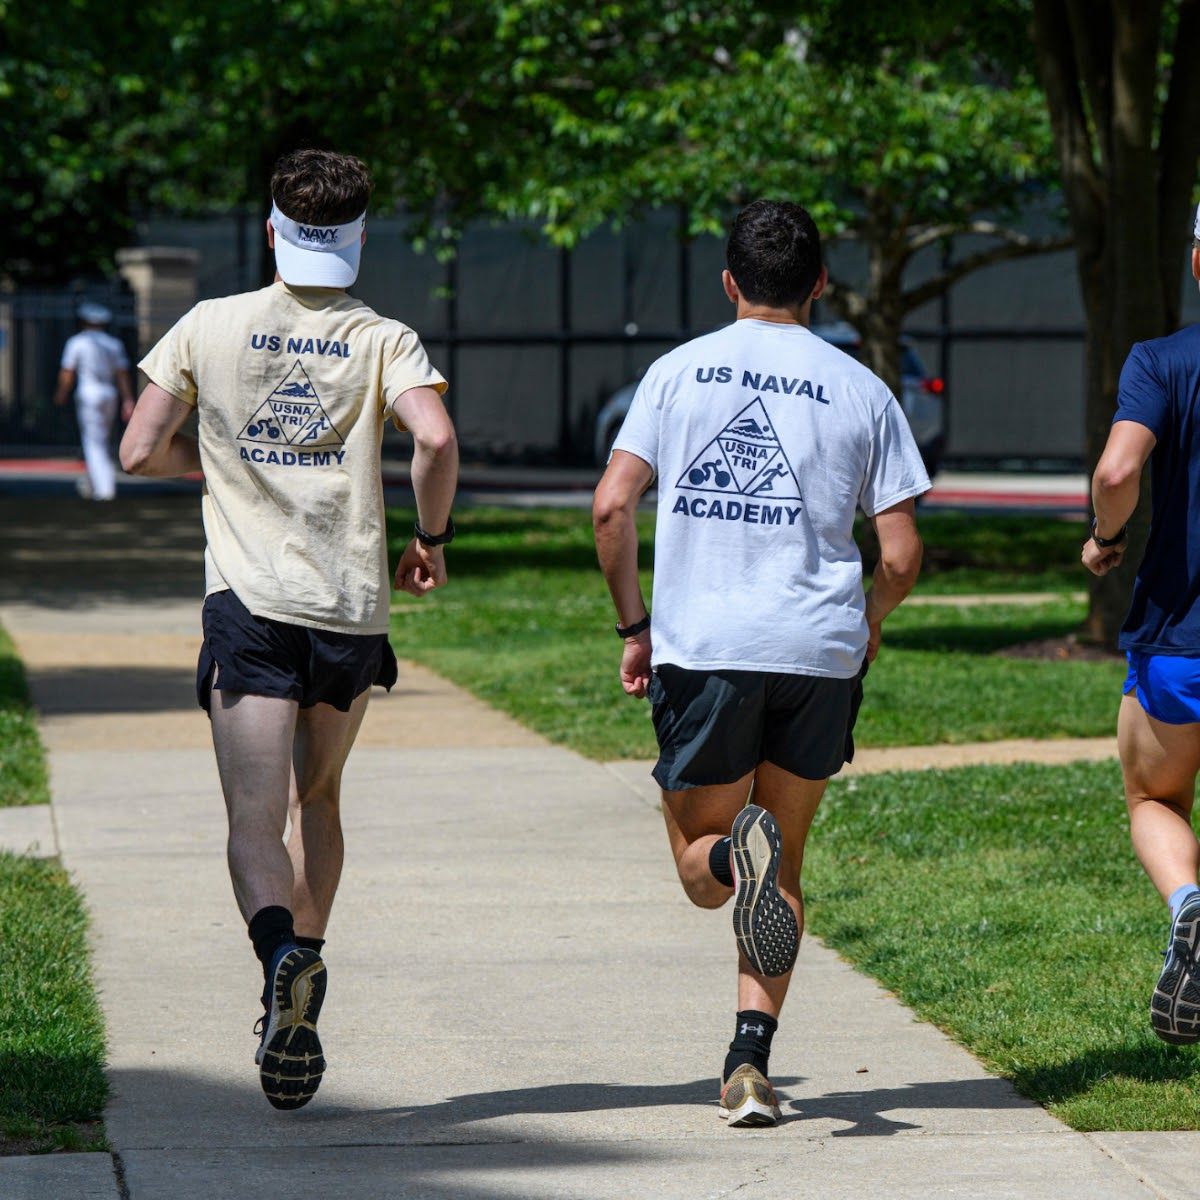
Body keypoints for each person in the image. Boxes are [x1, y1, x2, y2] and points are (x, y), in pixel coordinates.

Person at [119, 149, 458, 1109]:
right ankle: (303, 965)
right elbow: (432, 438)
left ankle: (278, 966)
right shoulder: (382, 335)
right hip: (348, 610)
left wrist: (221, 457)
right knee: (320, 800)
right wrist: (431, 538)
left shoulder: (207, 324)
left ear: (272, 230)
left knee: (250, 817)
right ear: (357, 238)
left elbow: (138, 449)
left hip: (250, 607)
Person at [593, 199, 929, 1127]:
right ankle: (749, 1065)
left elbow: (612, 509)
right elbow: (900, 556)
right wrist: (866, 620)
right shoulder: (864, 389)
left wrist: (635, 626)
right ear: (821, 284)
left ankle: (736, 868)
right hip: (817, 653)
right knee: (786, 864)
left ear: (731, 282)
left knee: (705, 870)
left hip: (708, 652)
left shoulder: (675, 374)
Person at [1083, 204, 1200, 1047]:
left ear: (1197, 261)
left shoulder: (1162, 361)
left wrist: (1107, 536)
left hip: (1181, 638)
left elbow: (1120, 467)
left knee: (1155, 795)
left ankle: (1190, 905)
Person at [54, 302, 135, 500]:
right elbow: (122, 374)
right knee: (101, 439)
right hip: (109, 394)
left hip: (88, 394)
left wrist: (61, 393)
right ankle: (92, 483)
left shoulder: (77, 342)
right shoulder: (113, 344)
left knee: (93, 442)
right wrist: (128, 399)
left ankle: (104, 489)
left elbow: (67, 372)